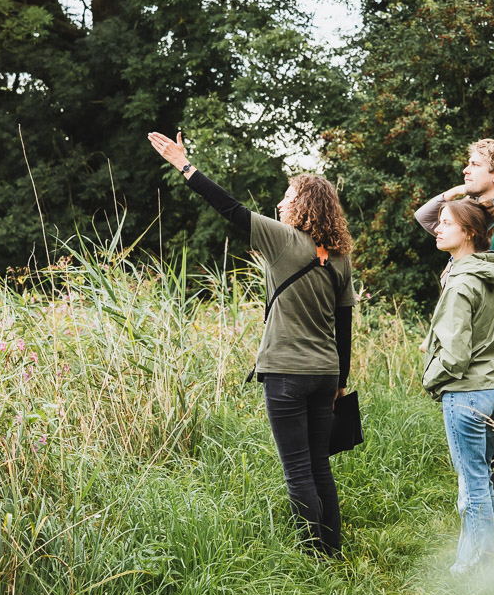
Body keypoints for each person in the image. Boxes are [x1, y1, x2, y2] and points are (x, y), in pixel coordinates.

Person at [148, 131, 356, 556]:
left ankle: (312, 558)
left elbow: (228, 207)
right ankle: (332, 551)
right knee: (320, 465)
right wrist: (341, 379)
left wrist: (185, 166)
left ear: (303, 206)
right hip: (325, 372)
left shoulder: (282, 239)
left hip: (286, 371)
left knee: (297, 468)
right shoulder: (340, 256)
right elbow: (346, 321)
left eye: (287, 196)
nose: (280, 204)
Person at [414, 139, 494, 509]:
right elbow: (425, 217)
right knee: (492, 442)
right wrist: (458, 191)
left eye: (473, 165)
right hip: (484, 343)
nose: (466, 170)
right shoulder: (483, 212)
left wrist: (472, 316)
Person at [421, 197, 494, 572]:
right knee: (480, 481)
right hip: (490, 389)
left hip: (466, 392)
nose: (437, 228)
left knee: (472, 486)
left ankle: (474, 566)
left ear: (469, 232)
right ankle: (476, 556)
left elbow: (456, 354)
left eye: (446, 223)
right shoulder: (485, 272)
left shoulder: (461, 282)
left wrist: (429, 378)